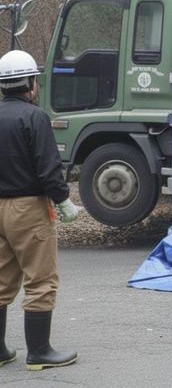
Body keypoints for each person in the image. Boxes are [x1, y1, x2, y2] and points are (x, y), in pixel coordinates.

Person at [0, 50, 80, 371]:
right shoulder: (35, 118)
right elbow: (48, 169)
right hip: (28, 209)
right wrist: (63, 200)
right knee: (41, 279)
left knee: (1, 280)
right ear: (32, 83)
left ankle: (1, 351)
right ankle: (39, 352)